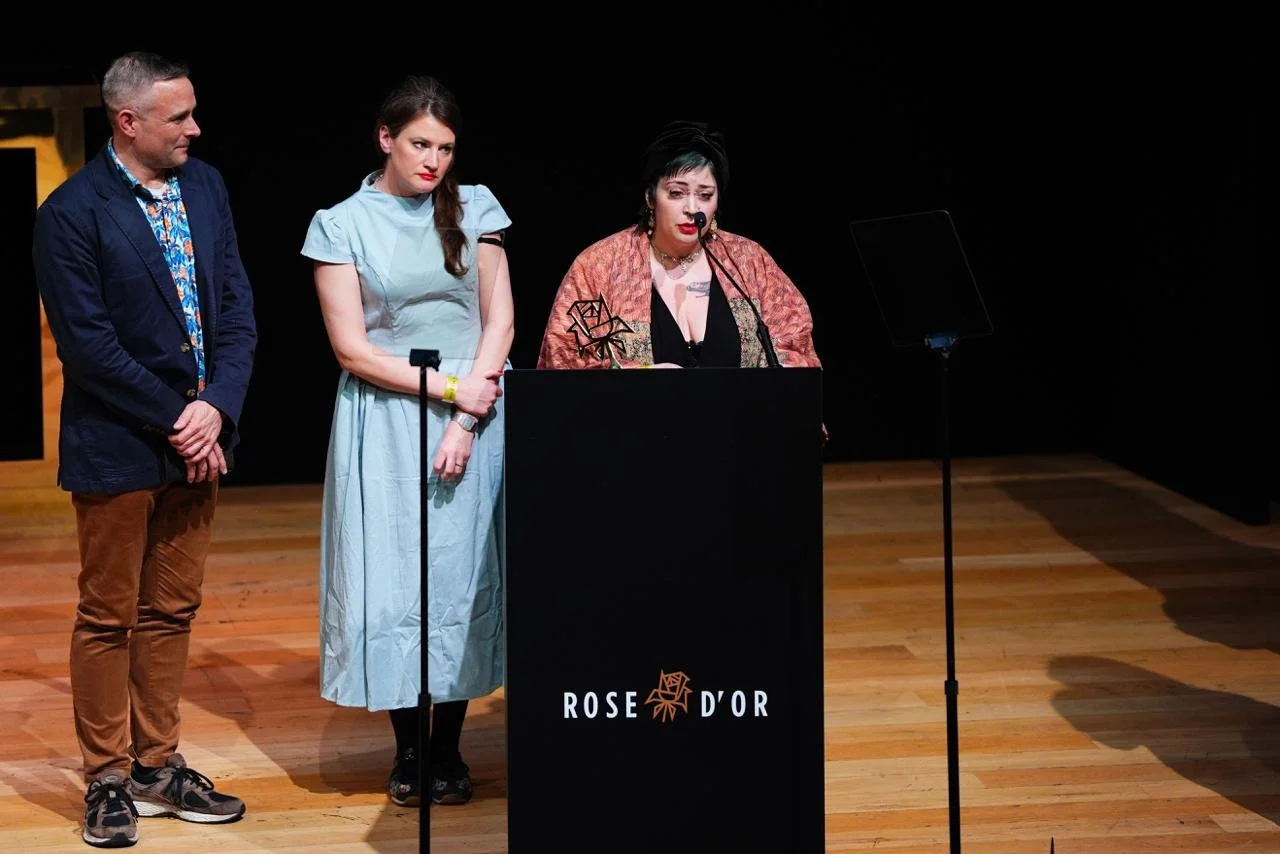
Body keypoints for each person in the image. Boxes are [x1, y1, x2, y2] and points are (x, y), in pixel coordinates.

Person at [31, 51, 256, 847]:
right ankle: (107, 776)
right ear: (127, 121)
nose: (195, 128)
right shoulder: (71, 212)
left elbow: (236, 306)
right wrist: (181, 417)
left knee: (172, 609)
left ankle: (157, 765)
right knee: (107, 615)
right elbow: (88, 347)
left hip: (199, 440)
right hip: (119, 440)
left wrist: (217, 407)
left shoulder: (206, 186)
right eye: (178, 116)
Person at [300, 74, 512, 808]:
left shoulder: (475, 207)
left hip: (473, 411)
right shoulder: (340, 223)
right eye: (421, 144)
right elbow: (352, 350)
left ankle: (448, 746)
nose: (434, 161)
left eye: (445, 148)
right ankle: (409, 749)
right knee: (392, 585)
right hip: (387, 417)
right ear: (385, 138)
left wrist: (467, 413)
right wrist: (449, 391)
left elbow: (500, 321)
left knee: (459, 579)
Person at [537, 120, 822, 372]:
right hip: (637, 416)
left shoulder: (749, 261)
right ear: (650, 197)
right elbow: (564, 361)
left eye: (705, 195)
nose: (692, 208)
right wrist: (643, 374)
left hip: (740, 417)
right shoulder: (598, 266)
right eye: (676, 193)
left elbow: (795, 348)